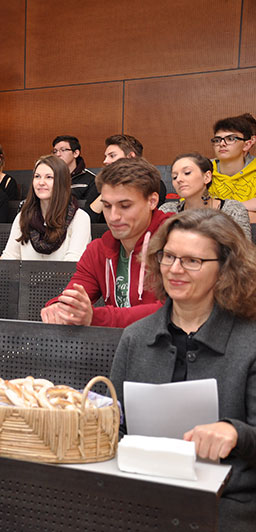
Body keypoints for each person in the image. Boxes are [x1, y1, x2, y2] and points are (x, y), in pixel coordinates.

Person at [110, 209, 256, 532]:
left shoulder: (250, 340)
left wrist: (235, 432)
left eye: (192, 261)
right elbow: (113, 424)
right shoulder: (136, 336)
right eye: (169, 257)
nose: (175, 270)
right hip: (143, 496)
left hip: (228, 505)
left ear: (226, 269)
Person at [41, 157, 171, 328]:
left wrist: (96, 317)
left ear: (152, 201)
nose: (113, 216)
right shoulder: (98, 250)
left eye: (125, 206)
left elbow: (174, 311)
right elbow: (74, 295)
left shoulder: (177, 243)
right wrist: (60, 307)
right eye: (107, 206)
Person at [0, 155, 91, 261]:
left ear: (61, 182)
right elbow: (10, 261)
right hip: (25, 284)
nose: (41, 182)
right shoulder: (23, 217)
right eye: (37, 176)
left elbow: (72, 265)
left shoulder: (80, 218)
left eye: (49, 177)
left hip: (64, 284)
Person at [160, 153, 250, 237]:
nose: (179, 179)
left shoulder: (232, 210)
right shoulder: (168, 210)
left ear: (207, 177)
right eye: (174, 177)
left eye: (187, 173)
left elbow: (243, 250)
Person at [85, 134, 167, 223]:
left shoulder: (153, 184)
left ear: (130, 157)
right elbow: (87, 220)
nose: (105, 161)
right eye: (108, 205)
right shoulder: (100, 184)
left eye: (112, 156)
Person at [207, 113, 256, 217]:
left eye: (230, 139)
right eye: (217, 140)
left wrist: (223, 208)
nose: (222, 144)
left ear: (247, 144)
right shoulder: (203, 169)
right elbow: (189, 206)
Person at [51, 135, 95, 201]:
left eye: (63, 150)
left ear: (75, 153)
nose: (58, 154)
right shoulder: (50, 177)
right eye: (55, 151)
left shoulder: (91, 180)